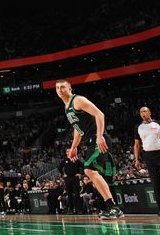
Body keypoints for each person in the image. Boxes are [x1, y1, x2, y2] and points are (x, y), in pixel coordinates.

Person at [55, 79, 124, 220]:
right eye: (57, 88)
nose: (60, 90)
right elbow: (77, 129)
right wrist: (74, 147)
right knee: (100, 175)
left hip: (98, 139)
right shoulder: (66, 107)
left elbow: (99, 114)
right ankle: (112, 208)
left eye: (63, 87)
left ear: (70, 89)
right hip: (90, 141)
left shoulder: (78, 100)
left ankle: (112, 207)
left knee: (89, 170)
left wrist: (99, 136)